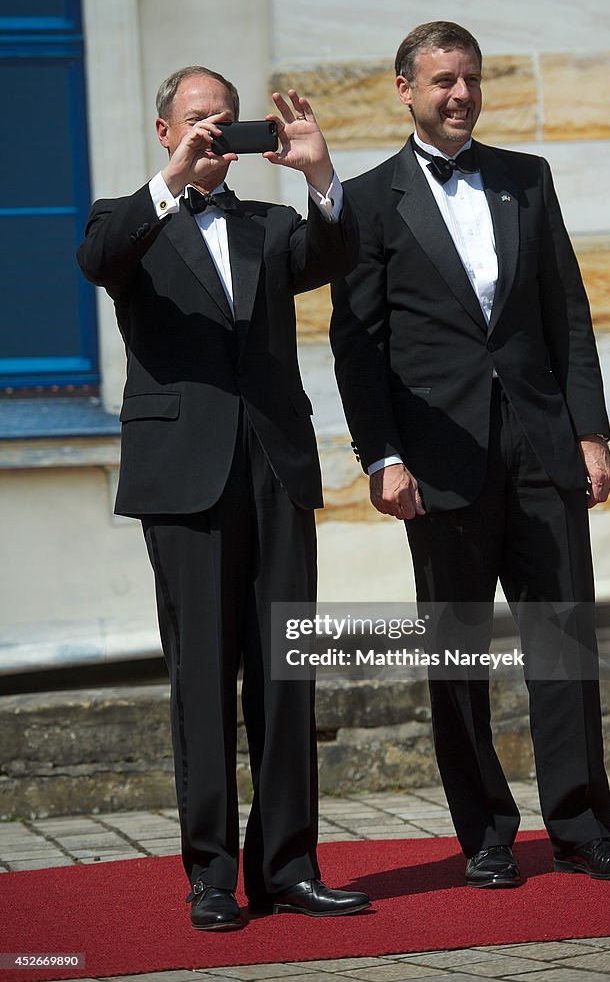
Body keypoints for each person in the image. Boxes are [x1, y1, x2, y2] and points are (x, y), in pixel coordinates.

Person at [330, 23, 610, 888]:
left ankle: (582, 827)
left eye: (469, 78)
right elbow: (357, 348)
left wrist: (590, 431)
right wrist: (381, 459)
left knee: (561, 645)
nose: (459, 94)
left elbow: (565, 312)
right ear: (404, 89)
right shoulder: (364, 201)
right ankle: (486, 835)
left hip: (542, 447)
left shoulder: (525, 179)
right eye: (441, 81)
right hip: (439, 461)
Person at [78, 65, 370, 929]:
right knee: (202, 681)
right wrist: (170, 185)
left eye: (229, 122)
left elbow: (334, 253)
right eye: (200, 121)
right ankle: (210, 878)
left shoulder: (271, 225)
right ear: (164, 131)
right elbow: (99, 260)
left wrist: (320, 175)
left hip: (274, 469)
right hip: (185, 479)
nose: (216, 133)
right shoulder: (122, 218)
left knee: (285, 676)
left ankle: (288, 867)